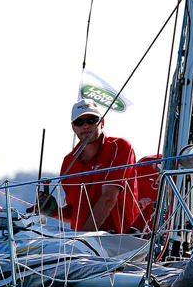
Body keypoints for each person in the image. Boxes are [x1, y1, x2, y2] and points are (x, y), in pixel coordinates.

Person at [55, 99, 142, 233]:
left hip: (121, 239)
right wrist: (52, 211)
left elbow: (109, 198)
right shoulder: (68, 162)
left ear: (102, 122)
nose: (85, 126)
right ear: (73, 127)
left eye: (91, 120)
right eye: (79, 122)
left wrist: (82, 238)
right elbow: (74, 212)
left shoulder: (120, 147)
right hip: (84, 242)